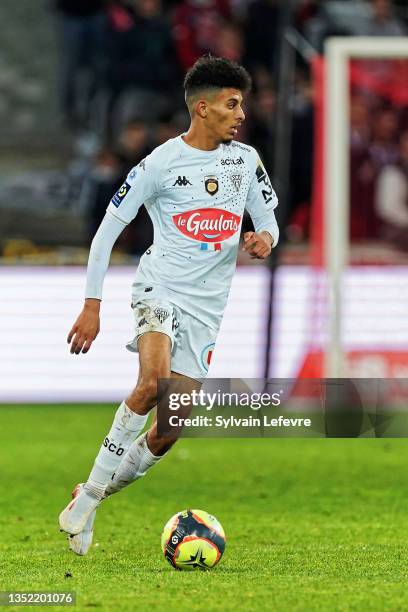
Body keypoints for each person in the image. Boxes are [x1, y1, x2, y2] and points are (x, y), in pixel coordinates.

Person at [58, 55, 279, 555]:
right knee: (151, 382)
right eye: (232, 104)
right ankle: (91, 493)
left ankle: (90, 497)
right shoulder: (158, 164)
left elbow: (269, 219)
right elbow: (105, 233)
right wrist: (92, 305)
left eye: (241, 104)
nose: (241, 113)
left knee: (171, 426)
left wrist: (265, 237)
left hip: (208, 305)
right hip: (160, 288)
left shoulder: (245, 161)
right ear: (202, 108)